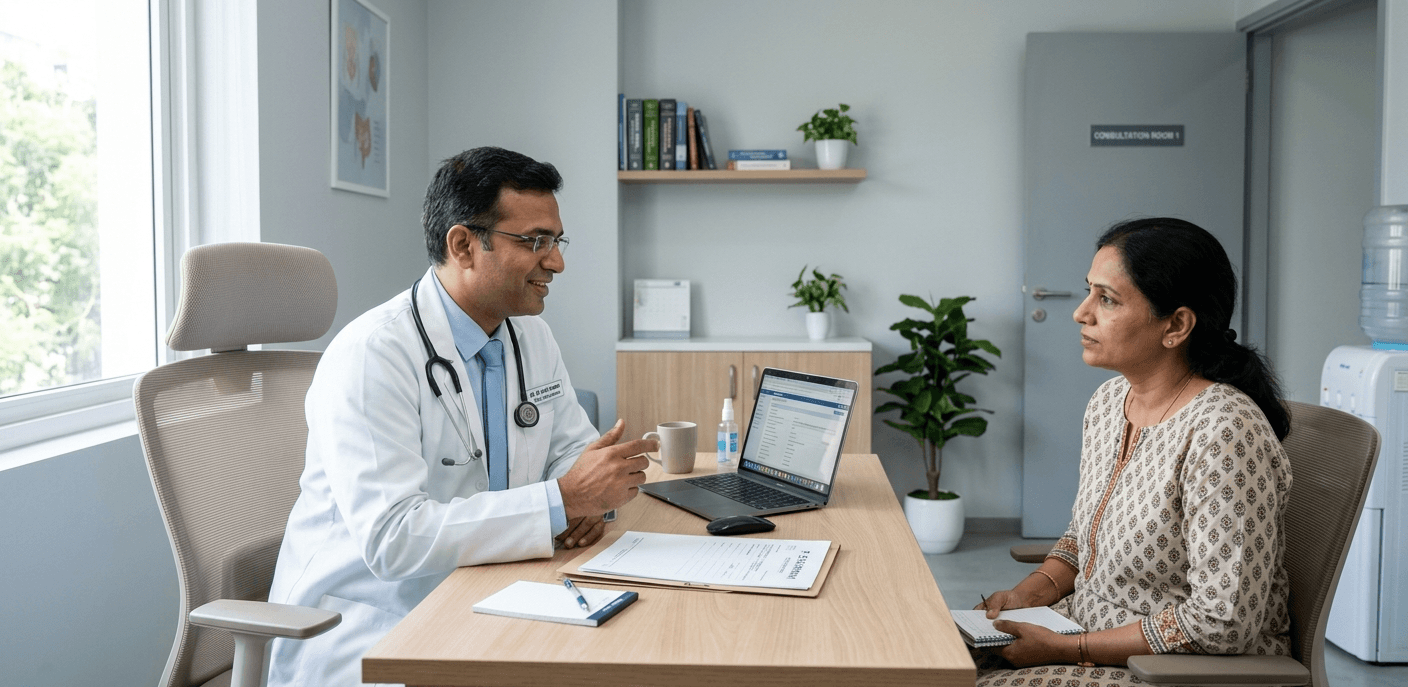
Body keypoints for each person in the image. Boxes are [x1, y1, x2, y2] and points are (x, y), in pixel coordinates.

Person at [265, 147, 655, 687]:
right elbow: (394, 538)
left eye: (556, 241)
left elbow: (569, 449)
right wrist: (563, 501)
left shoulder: (529, 335)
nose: (556, 262)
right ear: (464, 245)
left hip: (491, 592)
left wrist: (587, 494)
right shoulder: (373, 355)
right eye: (535, 241)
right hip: (373, 623)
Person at [974, 218, 1294, 687]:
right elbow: (1083, 538)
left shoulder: (1224, 432)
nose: (1081, 313)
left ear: (1176, 325)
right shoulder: (1108, 402)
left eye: (1107, 299)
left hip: (1173, 670)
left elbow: (1223, 621)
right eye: (1089, 291)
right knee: (929, 661)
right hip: (1080, 630)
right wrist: (1030, 594)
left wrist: (1067, 649)